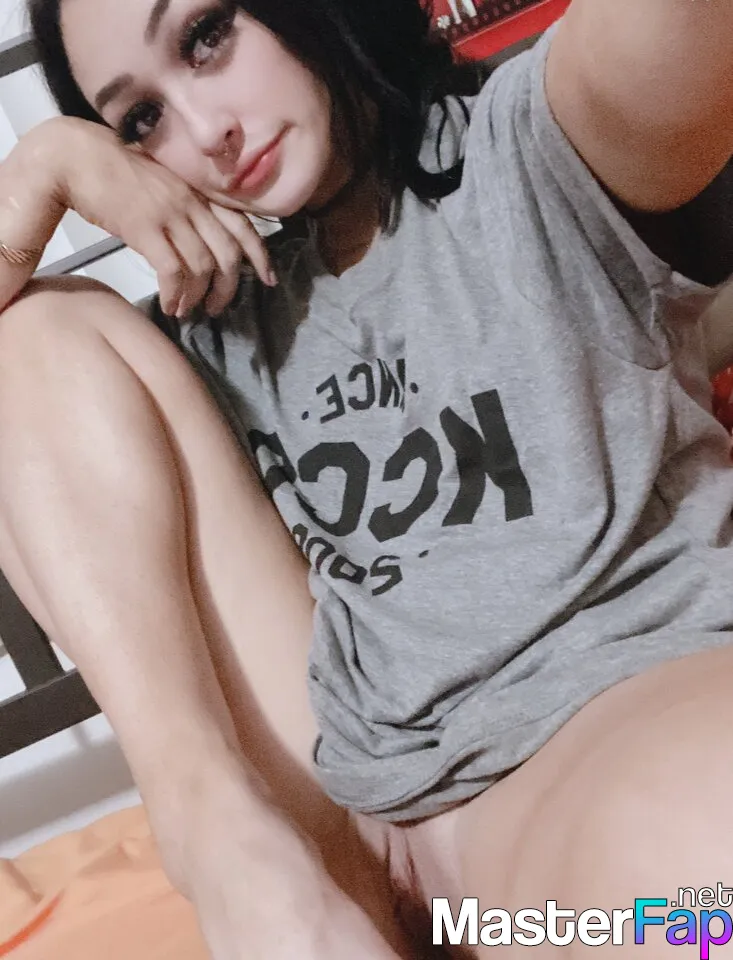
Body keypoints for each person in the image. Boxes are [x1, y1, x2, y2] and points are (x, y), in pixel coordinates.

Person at [2, 0, 733, 956]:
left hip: (604, 753)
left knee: (703, 893)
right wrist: (44, 168)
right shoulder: (212, 330)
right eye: (140, 119)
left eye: (205, 36)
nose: (205, 132)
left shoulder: (532, 150)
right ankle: (212, 838)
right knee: (32, 335)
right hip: (351, 834)